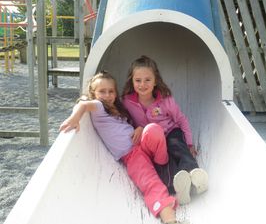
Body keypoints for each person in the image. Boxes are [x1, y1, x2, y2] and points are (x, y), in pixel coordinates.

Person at [59, 72, 188, 224]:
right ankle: (170, 219)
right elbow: (83, 105)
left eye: (111, 91)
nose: (107, 95)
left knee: (152, 129)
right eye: (102, 91)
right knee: (150, 184)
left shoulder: (116, 110)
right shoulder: (99, 107)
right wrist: (74, 119)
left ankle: (165, 168)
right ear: (93, 93)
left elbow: (130, 128)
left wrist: (139, 128)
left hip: (141, 144)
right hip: (132, 155)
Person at [122, 55, 208, 205]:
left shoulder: (165, 100)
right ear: (132, 81)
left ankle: (195, 174)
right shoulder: (128, 101)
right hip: (152, 140)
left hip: (170, 132)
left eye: (148, 80)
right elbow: (124, 120)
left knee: (177, 148)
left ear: (156, 81)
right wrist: (136, 128)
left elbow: (181, 120)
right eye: (138, 80)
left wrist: (188, 143)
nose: (143, 84)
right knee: (164, 162)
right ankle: (179, 186)